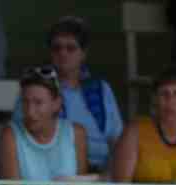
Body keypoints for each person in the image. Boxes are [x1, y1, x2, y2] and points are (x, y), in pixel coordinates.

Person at [10, 17, 121, 175]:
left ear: (83, 53)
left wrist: (110, 173)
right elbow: (19, 136)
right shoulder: (35, 88)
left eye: (70, 48)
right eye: (57, 48)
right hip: (56, 171)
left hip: (102, 173)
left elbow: (116, 139)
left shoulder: (101, 89)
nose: (63, 53)